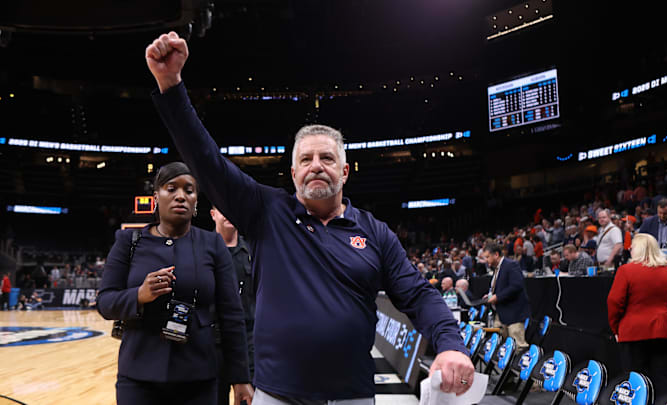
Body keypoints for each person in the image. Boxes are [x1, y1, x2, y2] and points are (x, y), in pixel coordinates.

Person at [145, 32, 474, 403]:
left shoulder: (375, 232)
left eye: (327, 158)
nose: (316, 166)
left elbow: (417, 295)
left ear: (345, 172)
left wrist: (451, 345)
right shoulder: (266, 212)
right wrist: (171, 86)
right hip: (277, 395)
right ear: (293, 173)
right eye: (306, 159)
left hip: (353, 396)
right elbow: (207, 161)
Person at [96, 162, 253, 405]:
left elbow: (232, 315)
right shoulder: (128, 241)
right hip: (138, 376)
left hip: (199, 377)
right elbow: (105, 303)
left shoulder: (213, 245)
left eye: (189, 190)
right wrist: (139, 295)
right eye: (172, 189)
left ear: (196, 201)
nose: (181, 196)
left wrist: (240, 377)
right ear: (156, 196)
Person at [607, 233, 667, 397]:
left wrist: (616, 329)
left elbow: (614, 302)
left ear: (639, 249)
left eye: (633, 247)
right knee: (663, 380)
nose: (630, 249)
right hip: (664, 331)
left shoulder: (626, 271)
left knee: (634, 382)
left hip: (633, 333)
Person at [210, 206, 256, 405]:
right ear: (213, 214)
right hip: (213, 342)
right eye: (223, 208)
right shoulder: (202, 251)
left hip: (249, 342)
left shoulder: (253, 251)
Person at [482, 243, 530, 348]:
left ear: (496, 254)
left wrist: (497, 297)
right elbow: (500, 287)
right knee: (504, 347)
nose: (486, 260)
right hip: (502, 313)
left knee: (518, 346)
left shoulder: (511, 264)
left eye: (487, 257)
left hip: (514, 314)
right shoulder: (497, 268)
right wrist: (490, 295)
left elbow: (516, 286)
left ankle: (519, 364)